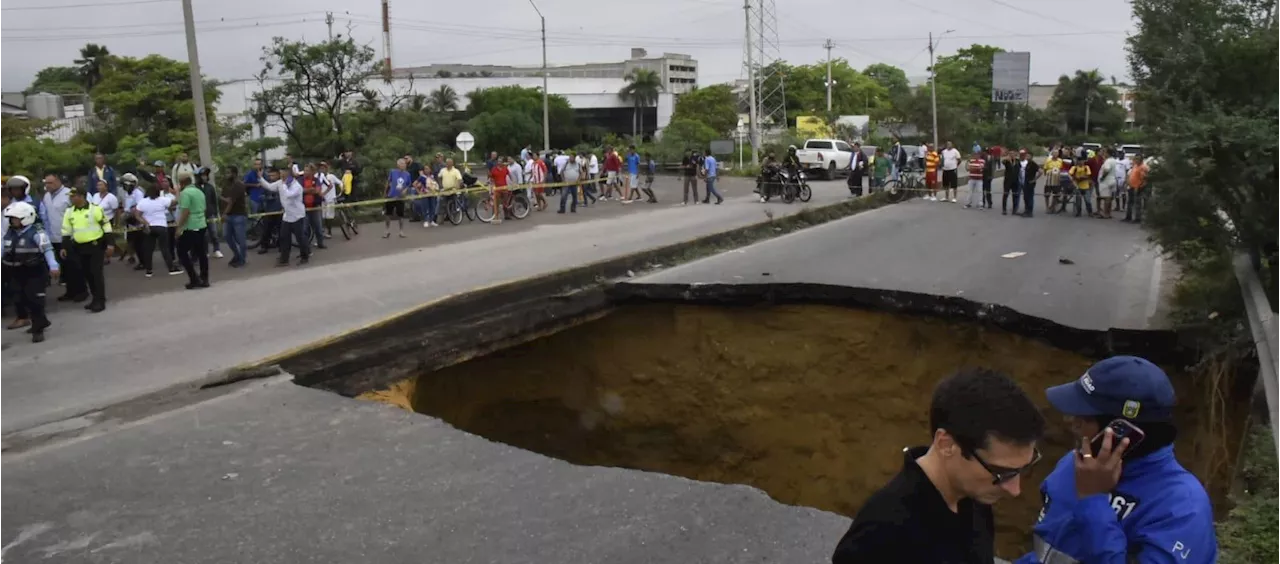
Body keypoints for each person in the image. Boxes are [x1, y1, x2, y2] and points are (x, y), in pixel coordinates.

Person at [1016, 356, 1217, 564]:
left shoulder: (1182, 507)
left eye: (1085, 418)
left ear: (1123, 431)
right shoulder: (1078, 462)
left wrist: (1093, 500)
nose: (1071, 422)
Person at [833, 367, 1046, 563]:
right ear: (946, 444)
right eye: (1002, 473)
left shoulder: (974, 496)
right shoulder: (880, 535)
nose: (1015, 490)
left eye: (1023, 469)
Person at [2, 202, 59, 342]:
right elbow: (3, 248)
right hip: (16, 271)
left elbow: (47, 249)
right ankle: (42, 321)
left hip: (35, 271)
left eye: (15, 218)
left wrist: (53, 265)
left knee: (35, 300)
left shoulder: (37, 232)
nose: (12, 221)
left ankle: (38, 329)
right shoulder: (11, 232)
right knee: (20, 298)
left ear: (25, 218)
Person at [61, 187, 114, 311]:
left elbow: (106, 226)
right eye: (71, 196)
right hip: (79, 247)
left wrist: (110, 244)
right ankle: (95, 298)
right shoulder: (69, 212)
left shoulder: (95, 209)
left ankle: (100, 301)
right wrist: (64, 246)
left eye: (73, 196)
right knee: (87, 274)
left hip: (95, 246)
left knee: (96, 274)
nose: (71, 198)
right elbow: (66, 230)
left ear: (81, 196)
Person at [260, 166, 309, 266]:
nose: (282, 176)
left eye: (284, 174)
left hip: (297, 216)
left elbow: (288, 195)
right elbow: (269, 187)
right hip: (287, 216)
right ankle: (284, 259)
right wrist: (260, 178)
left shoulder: (296, 186)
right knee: (284, 238)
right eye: (281, 173)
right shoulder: (280, 183)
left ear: (289, 174)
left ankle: (305, 256)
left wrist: (285, 185)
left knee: (300, 238)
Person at [133, 180, 181, 278]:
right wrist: (177, 192)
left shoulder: (143, 202)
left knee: (148, 249)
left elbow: (137, 215)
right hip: (161, 226)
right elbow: (176, 202)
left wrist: (144, 222)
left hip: (149, 227)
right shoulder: (162, 200)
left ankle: (149, 270)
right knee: (164, 248)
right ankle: (171, 268)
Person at [173, 171, 210, 289]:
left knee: (181, 251)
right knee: (201, 252)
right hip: (201, 224)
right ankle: (204, 278)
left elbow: (185, 211)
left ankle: (194, 278)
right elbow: (204, 208)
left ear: (182, 183)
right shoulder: (199, 192)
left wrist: (179, 227)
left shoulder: (185, 193)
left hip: (191, 226)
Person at [221, 165, 248, 267]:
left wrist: (224, 214)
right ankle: (236, 255)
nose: (226, 175)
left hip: (238, 215)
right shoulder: (226, 185)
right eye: (226, 173)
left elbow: (231, 201)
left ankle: (242, 259)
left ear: (234, 174)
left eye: (229, 173)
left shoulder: (238, 185)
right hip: (229, 216)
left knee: (241, 239)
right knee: (227, 236)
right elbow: (225, 199)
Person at [195, 167, 224, 259]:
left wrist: (216, 213)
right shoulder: (195, 188)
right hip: (199, 215)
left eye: (205, 175)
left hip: (210, 213)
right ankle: (205, 251)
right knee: (204, 235)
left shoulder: (210, 187)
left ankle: (217, 250)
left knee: (214, 232)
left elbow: (214, 201)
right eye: (202, 175)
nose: (204, 177)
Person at [88, 179, 120, 264]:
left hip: (108, 220)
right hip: (96, 221)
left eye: (101, 185)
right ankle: (99, 256)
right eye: (98, 185)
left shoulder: (111, 197)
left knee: (107, 239)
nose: (99, 187)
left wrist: (116, 223)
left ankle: (107, 257)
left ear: (106, 187)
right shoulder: (95, 196)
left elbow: (116, 211)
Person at [384, 158, 411, 239]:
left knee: (401, 215)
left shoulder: (407, 174)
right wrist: (385, 193)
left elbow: (408, 184)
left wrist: (405, 190)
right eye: (402, 164)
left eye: (405, 164)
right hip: (391, 195)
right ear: (398, 165)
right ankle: (387, 230)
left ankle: (401, 231)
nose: (404, 165)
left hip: (400, 197)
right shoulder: (393, 172)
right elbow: (388, 182)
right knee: (388, 214)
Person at [1016, 149, 1042, 218]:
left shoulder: (1033, 164)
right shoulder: (1027, 163)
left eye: (1029, 156)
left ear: (1031, 157)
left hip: (1030, 183)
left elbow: (1040, 172)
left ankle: (1030, 212)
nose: (1027, 157)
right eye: (1026, 156)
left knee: (1030, 197)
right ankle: (1026, 210)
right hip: (1025, 182)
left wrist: (1034, 179)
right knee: (1025, 197)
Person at [1124, 155, 1149, 223]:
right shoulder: (1135, 165)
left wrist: (1139, 187)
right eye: (1135, 159)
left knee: (1137, 203)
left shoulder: (1143, 167)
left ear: (1141, 160)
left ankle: (1138, 218)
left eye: (1138, 159)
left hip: (1138, 188)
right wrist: (1128, 184)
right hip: (1131, 186)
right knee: (1130, 202)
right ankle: (1128, 217)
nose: (1136, 160)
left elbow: (1144, 179)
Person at [1096, 149, 1120, 219]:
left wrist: (1102, 177)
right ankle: (1108, 213)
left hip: (1106, 181)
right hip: (1112, 179)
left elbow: (1106, 169)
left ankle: (1105, 213)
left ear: (1108, 153)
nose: (1103, 154)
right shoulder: (1114, 160)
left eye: (1105, 152)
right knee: (1109, 197)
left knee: (1106, 197)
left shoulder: (1108, 161)